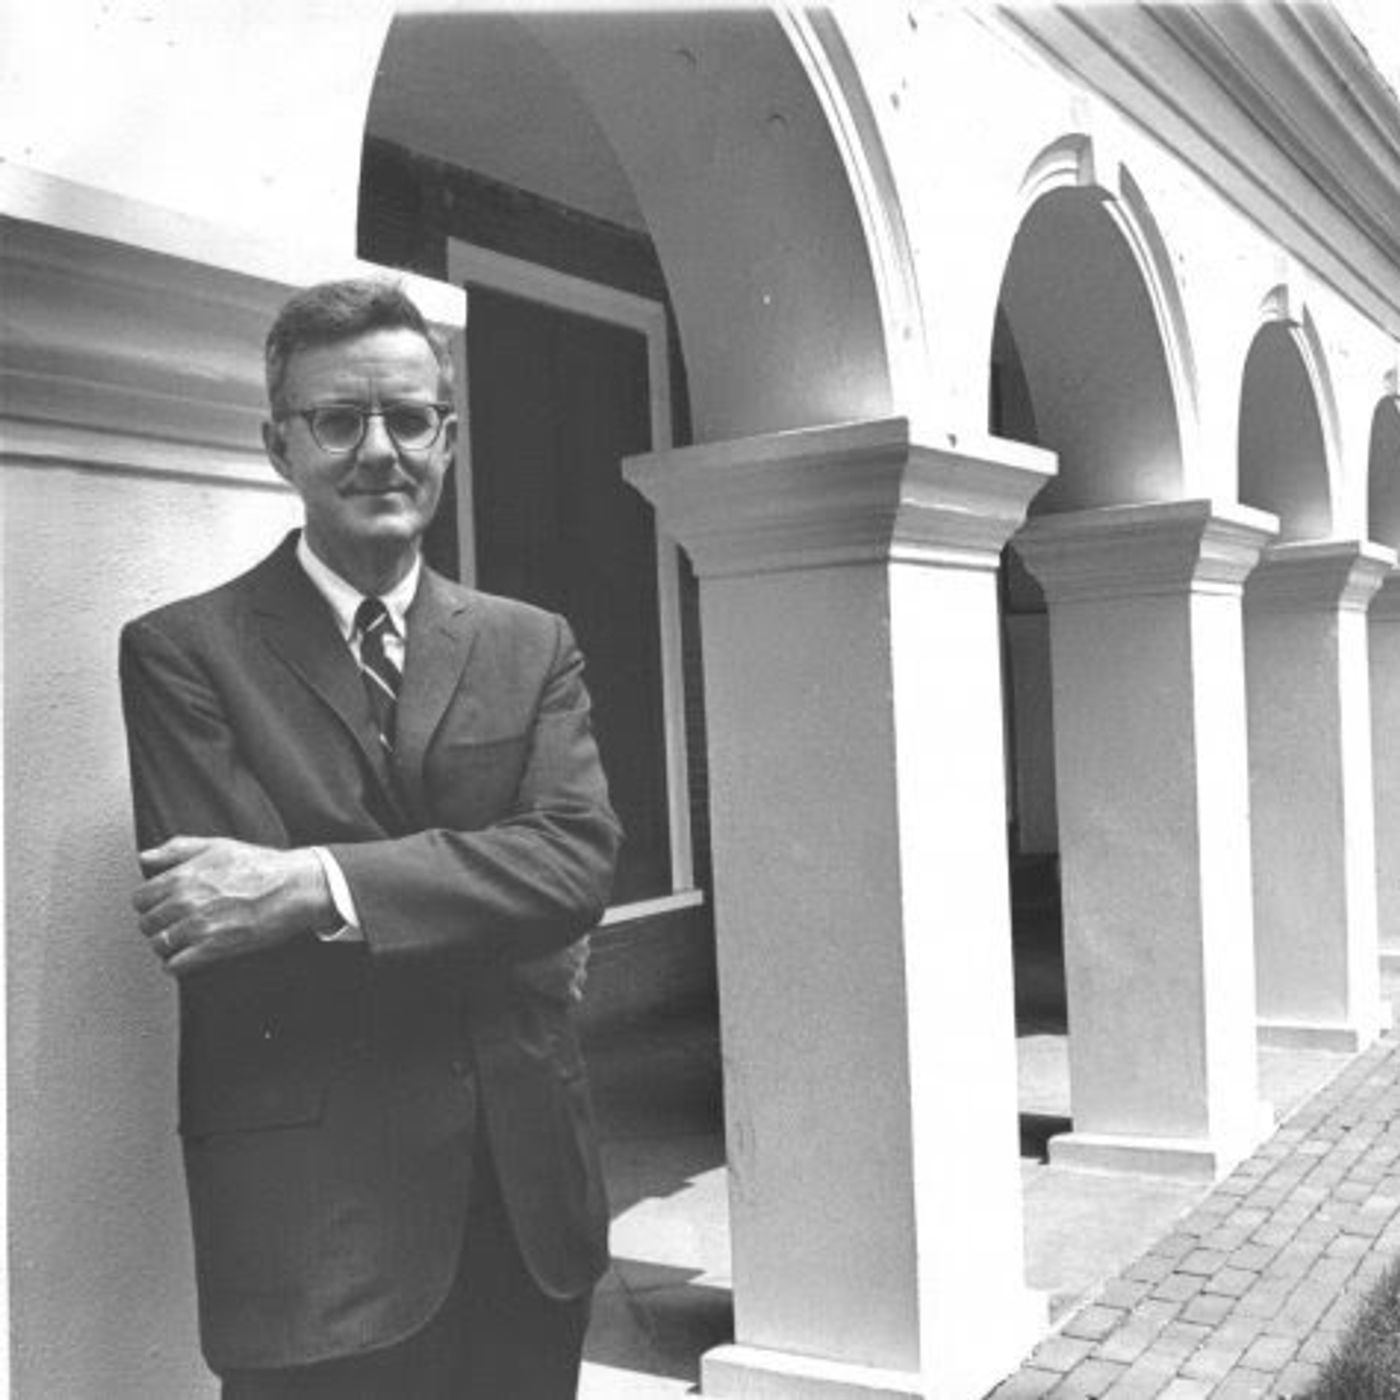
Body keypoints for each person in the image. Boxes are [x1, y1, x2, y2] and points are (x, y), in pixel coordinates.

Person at [119, 277, 621, 1398]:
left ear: (448, 437)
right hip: (315, 1233)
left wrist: (312, 881)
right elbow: (227, 942)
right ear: (278, 445)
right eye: (339, 420)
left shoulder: (530, 644)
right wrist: (510, 918)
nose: (380, 451)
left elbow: (578, 862)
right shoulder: (183, 653)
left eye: (409, 418)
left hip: (525, 1208)